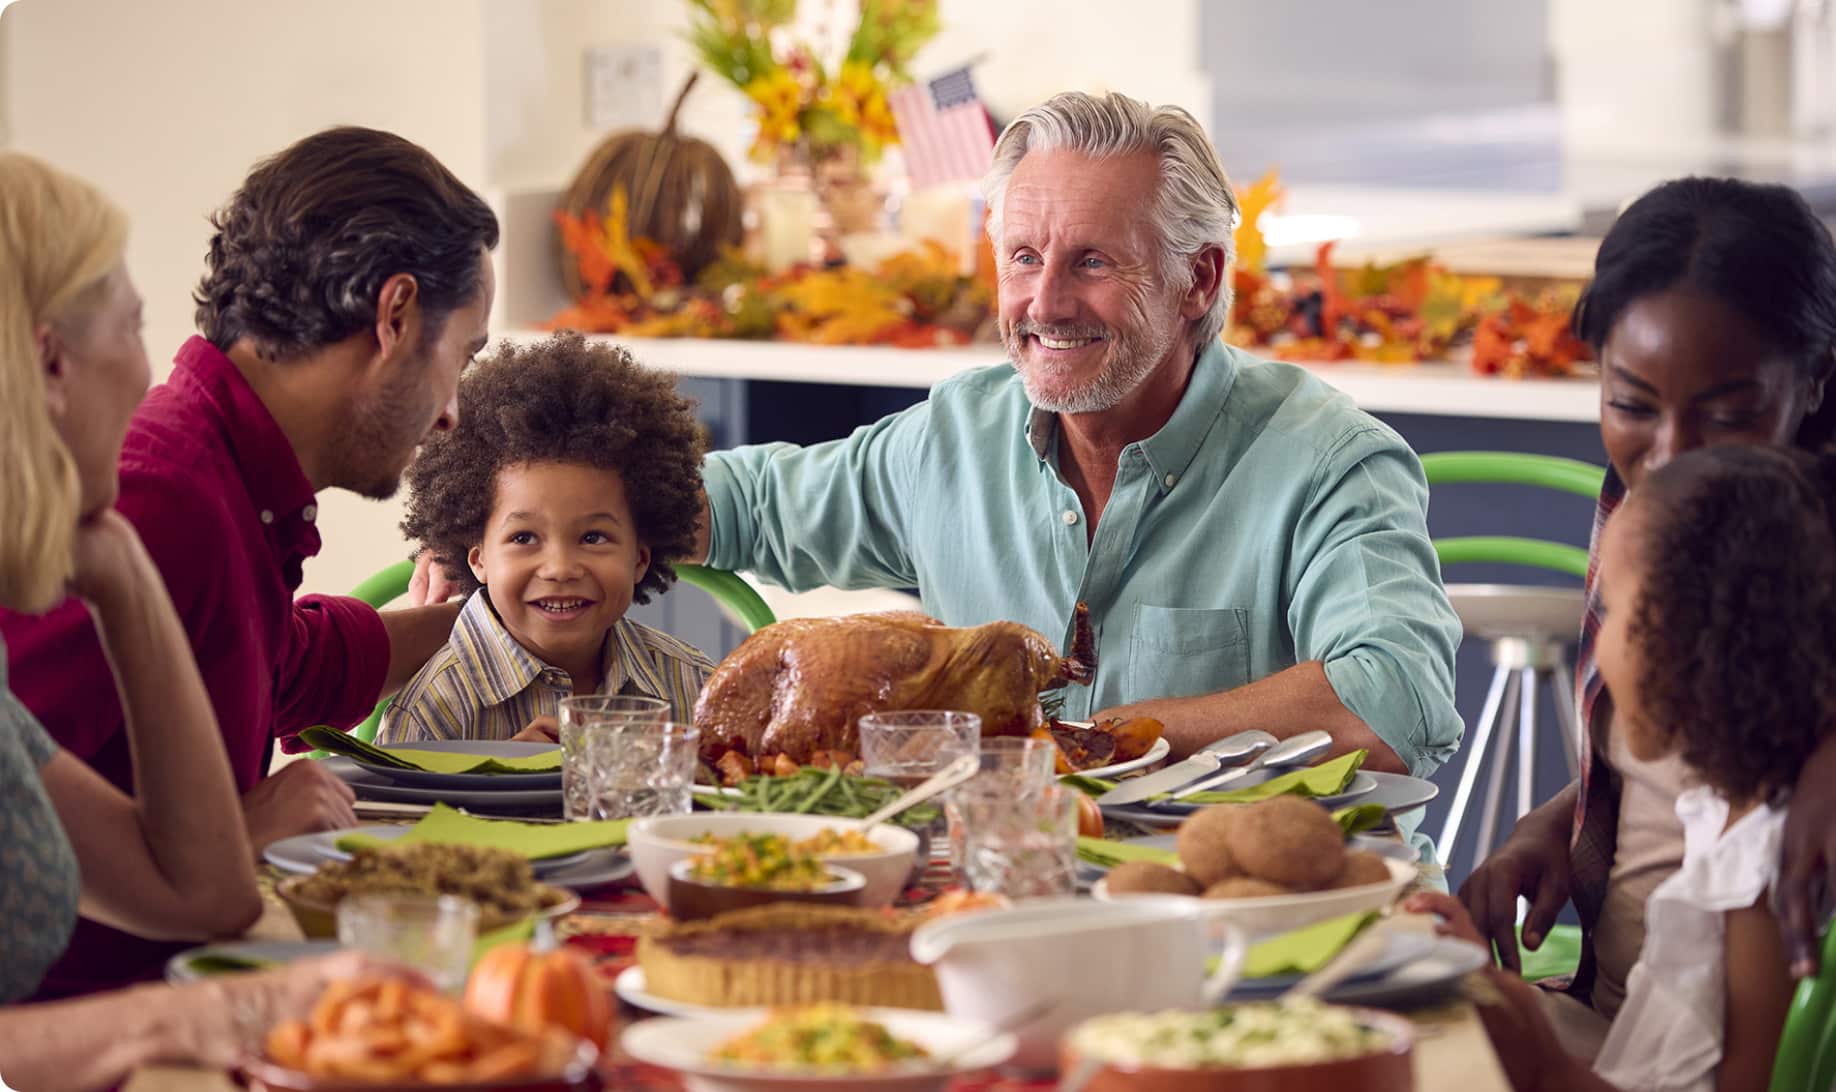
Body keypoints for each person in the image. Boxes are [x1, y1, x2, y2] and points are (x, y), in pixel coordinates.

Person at [0, 126, 495, 999]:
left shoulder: (224, 480)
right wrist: (230, 825)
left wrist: (469, 622)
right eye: (464, 355)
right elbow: (22, 816)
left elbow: (262, 660)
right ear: (396, 315)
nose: (451, 411)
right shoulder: (161, 494)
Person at [1458, 177, 1836, 1042]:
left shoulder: (1792, 561)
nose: (1667, 455)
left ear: (1817, 380)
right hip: (1615, 1012)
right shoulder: (1645, 513)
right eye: (1631, 404)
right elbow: (1670, 753)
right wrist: (1557, 823)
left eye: (1729, 414)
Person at [1415, 443, 1836, 1092]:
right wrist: (1484, 979)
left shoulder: (1758, 873)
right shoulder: (1717, 812)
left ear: (1689, 644)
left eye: (1612, 611)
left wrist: (1545, 1064)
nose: (1597, 645)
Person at [380, 333, 713, 744]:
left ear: (640, 558)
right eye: (524, 537)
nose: (560, 568)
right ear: (478, 560)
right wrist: (498, 778)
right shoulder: (436, 708)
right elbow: (395, 811)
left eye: (593, 536)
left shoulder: (694, 686)